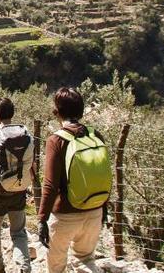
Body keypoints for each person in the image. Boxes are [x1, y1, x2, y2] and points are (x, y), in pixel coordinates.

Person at [38, 88, 111, 273]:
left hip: (65, 215)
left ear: (57, 111)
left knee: (56, 267)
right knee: (85, 260)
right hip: (94, 211)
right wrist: (104, 208)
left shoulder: (56, 140)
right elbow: (103, 174)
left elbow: (50, 184)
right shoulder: (95, 135)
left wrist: (42, 219)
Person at [0, 97, 34, 273]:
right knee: (19, 234)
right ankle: (23, 269)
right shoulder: (27, 136)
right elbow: (31, 167)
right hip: (19, 191)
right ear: (12, 113)